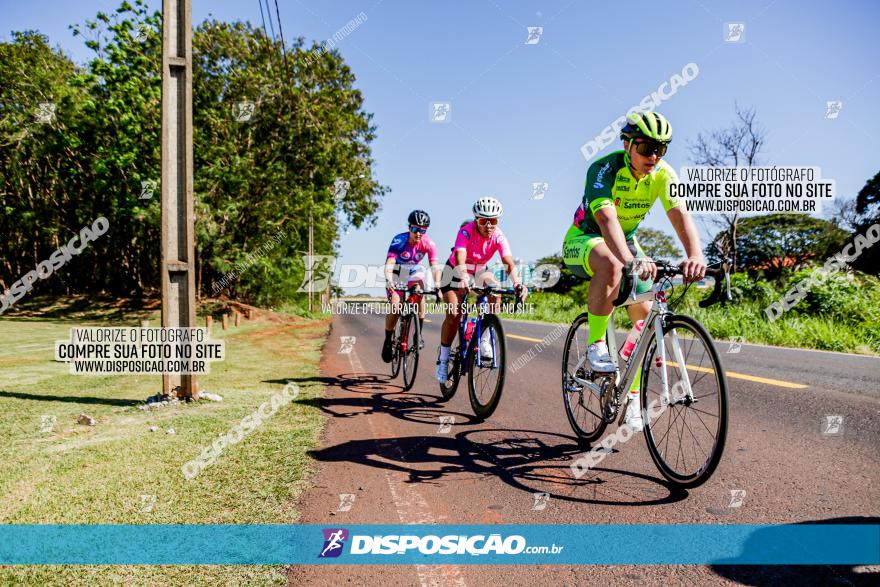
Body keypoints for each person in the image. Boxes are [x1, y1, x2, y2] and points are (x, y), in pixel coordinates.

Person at [561, 111, 706, 432]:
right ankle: (596, 344)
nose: (653, 156)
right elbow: (606, 221)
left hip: (625, 241)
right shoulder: (604, 169)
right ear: (627, 144)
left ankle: (631, 394)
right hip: (585, 238)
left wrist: (695, 254)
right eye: (645, 148)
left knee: (645, 322)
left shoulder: (664, 175)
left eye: (661, 148)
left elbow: (681, 215)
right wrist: (629, 261)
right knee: (613, 264)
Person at [435, 197, 527, 383]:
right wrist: (463, 276)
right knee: (454, 314)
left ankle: (484, 339)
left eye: (493, 221)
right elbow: (460, 257)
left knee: (496, 291)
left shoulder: (499, 236)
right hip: (454, 271)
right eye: (484, 220)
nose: (488, 225)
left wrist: (518, 283)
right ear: (476, 219)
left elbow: (508, 262)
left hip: (479, 270)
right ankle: (443, 359)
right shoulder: (466, 232)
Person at [382, 210, 442, 363]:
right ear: (409, 227)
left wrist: (438, 286)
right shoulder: (399, 240)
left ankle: (418, 334)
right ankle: (388, 340)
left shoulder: (429, 243)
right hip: (398, 272)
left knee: (420, 291)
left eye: (423, 230)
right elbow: (389, 263)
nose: (419, 233)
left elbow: (434, 266)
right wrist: (389, 280)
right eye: (415, 229)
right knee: (396, 307)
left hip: (414, 271)